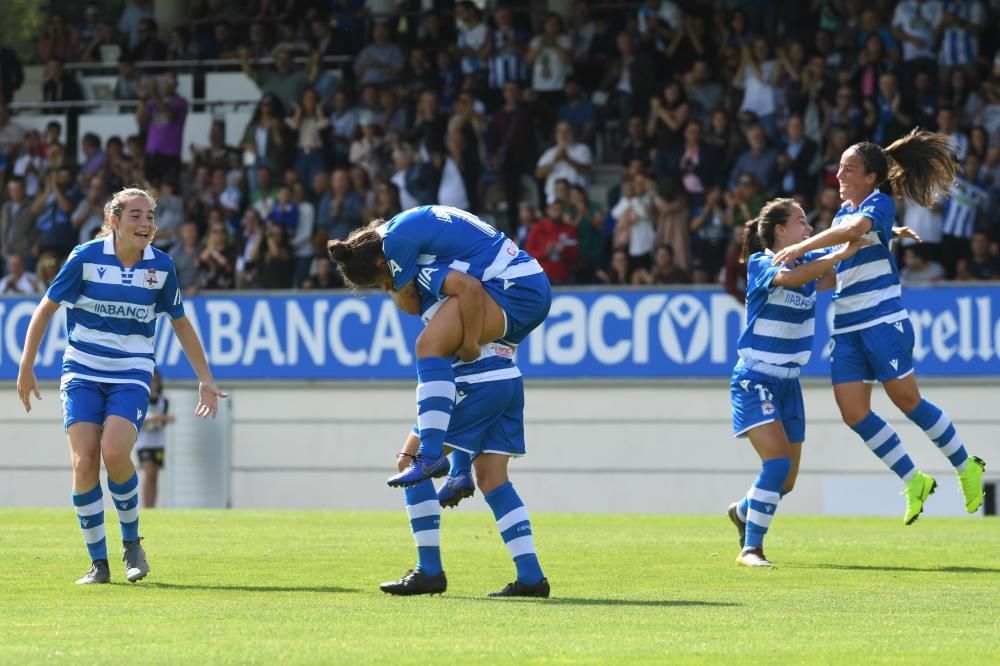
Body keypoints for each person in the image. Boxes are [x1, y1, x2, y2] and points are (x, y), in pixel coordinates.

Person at [15, 187, 227, 585]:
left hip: (131, 372)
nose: (146, 223)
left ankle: (132, 544)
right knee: (83, 463)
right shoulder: (84, 257)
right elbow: (45, 309)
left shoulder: (161, 267)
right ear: (113, 220)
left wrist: (205, 379)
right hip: (81, 370)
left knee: (114, 452)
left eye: (150, 216)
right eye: (136, 215)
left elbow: (180, 323)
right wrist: (26, 365)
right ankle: (99, 564)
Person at [772, 130, 987, 524]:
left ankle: (966, 465)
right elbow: (835, 259)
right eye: (837, 169)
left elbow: (856, 231)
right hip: (848, 327)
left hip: (882, 320)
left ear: (871, 176)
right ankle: (914, 479)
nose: (838, 176)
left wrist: (801, 247)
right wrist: (782, 265)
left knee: (907, 401)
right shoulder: (843, 217)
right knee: (853, 412)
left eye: (848, 169)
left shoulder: (879, 202)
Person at [327, 205, 551, 488]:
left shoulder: (404, 251)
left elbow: (464, 289)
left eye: (384, 283)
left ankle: (431, 456)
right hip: (521, 285)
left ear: (383, 265)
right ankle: (457, 469)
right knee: (450, 366)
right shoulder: (417, 246)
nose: (390, 287)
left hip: (516, 287)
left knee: (429, 347)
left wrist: (470, 341)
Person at [379, 280, 548, 598]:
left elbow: (419, 306)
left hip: (476, 380)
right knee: (493, 478)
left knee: (411, 462)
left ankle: (428, 570)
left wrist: (394, 285)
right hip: (507, 375)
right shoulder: (480, 277)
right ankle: (531, 577)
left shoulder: (435, 283)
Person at [727, 198, 872, 567]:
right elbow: (793, 278)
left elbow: (832, 275)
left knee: (786, 481)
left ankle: (744, 512)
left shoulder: (808, 263)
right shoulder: (764, 262)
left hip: (790, 384)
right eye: (801, 222)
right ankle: (751, 549)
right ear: (780, 231)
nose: (808, 229)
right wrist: (842, 250)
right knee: (776, 465)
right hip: (755, 378)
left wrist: (878, 241)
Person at [135, 370, 174, 508]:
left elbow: (165, 420)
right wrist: (153, 419)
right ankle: (146, 505)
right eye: (151, 381)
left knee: (155, 476)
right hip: (144, 443)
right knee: (149, 472)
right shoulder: (140, 399)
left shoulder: (164, 401)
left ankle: (152, 507)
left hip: (158, 443)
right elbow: (138, 421)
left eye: (156, 381)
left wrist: (157, 419)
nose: (154, 384)